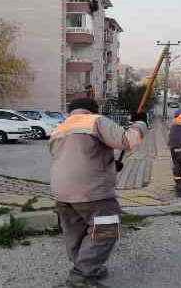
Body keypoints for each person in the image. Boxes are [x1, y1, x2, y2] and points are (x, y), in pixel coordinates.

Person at [50, 98, 148, 287]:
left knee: (75, 233)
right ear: (93, 110)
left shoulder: (59, 128)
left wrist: (109, 163)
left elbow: (75, 156)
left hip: (61, 192)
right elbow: (128, 140)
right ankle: (81, 277)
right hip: (92, 192)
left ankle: (89, 268)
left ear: (72, 111)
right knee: (106, 230)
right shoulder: (95, 120)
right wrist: (141, 122)